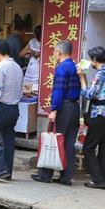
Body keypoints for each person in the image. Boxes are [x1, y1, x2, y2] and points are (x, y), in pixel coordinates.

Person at [31, 41, 80, 186]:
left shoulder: (61, 68)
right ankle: (66, 176)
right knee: (68, 143)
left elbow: (58, 91)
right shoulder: (75, 67)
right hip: (74, 107)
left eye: (54, 51)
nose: (53, 54)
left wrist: (53, 110)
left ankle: (45, 175)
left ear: (59, 52)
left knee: (53, 140)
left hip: (63, 107)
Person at [79, 46, 105, 189]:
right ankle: (103, 180)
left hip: (100, 114)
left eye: (91, 59)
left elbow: (89, 94)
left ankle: (98, 180)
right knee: (104, 148)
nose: (91, 62)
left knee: (88, 147)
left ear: (95, 60)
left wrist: (82, 77)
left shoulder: (100, 74)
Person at [0, 39, 24, 181]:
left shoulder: (0, 68)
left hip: (0, 108)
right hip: (14, 108)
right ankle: (7, 172)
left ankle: (0, 169)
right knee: (8, 140)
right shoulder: (17, 67)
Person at [20, 25, 42, 91]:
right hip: (33, 68)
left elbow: (21, 54)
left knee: (29, 90)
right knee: (30, 90)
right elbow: (21, 54)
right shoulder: (32, 41)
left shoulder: (46, 42)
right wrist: (30, 51)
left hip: (37, 68)